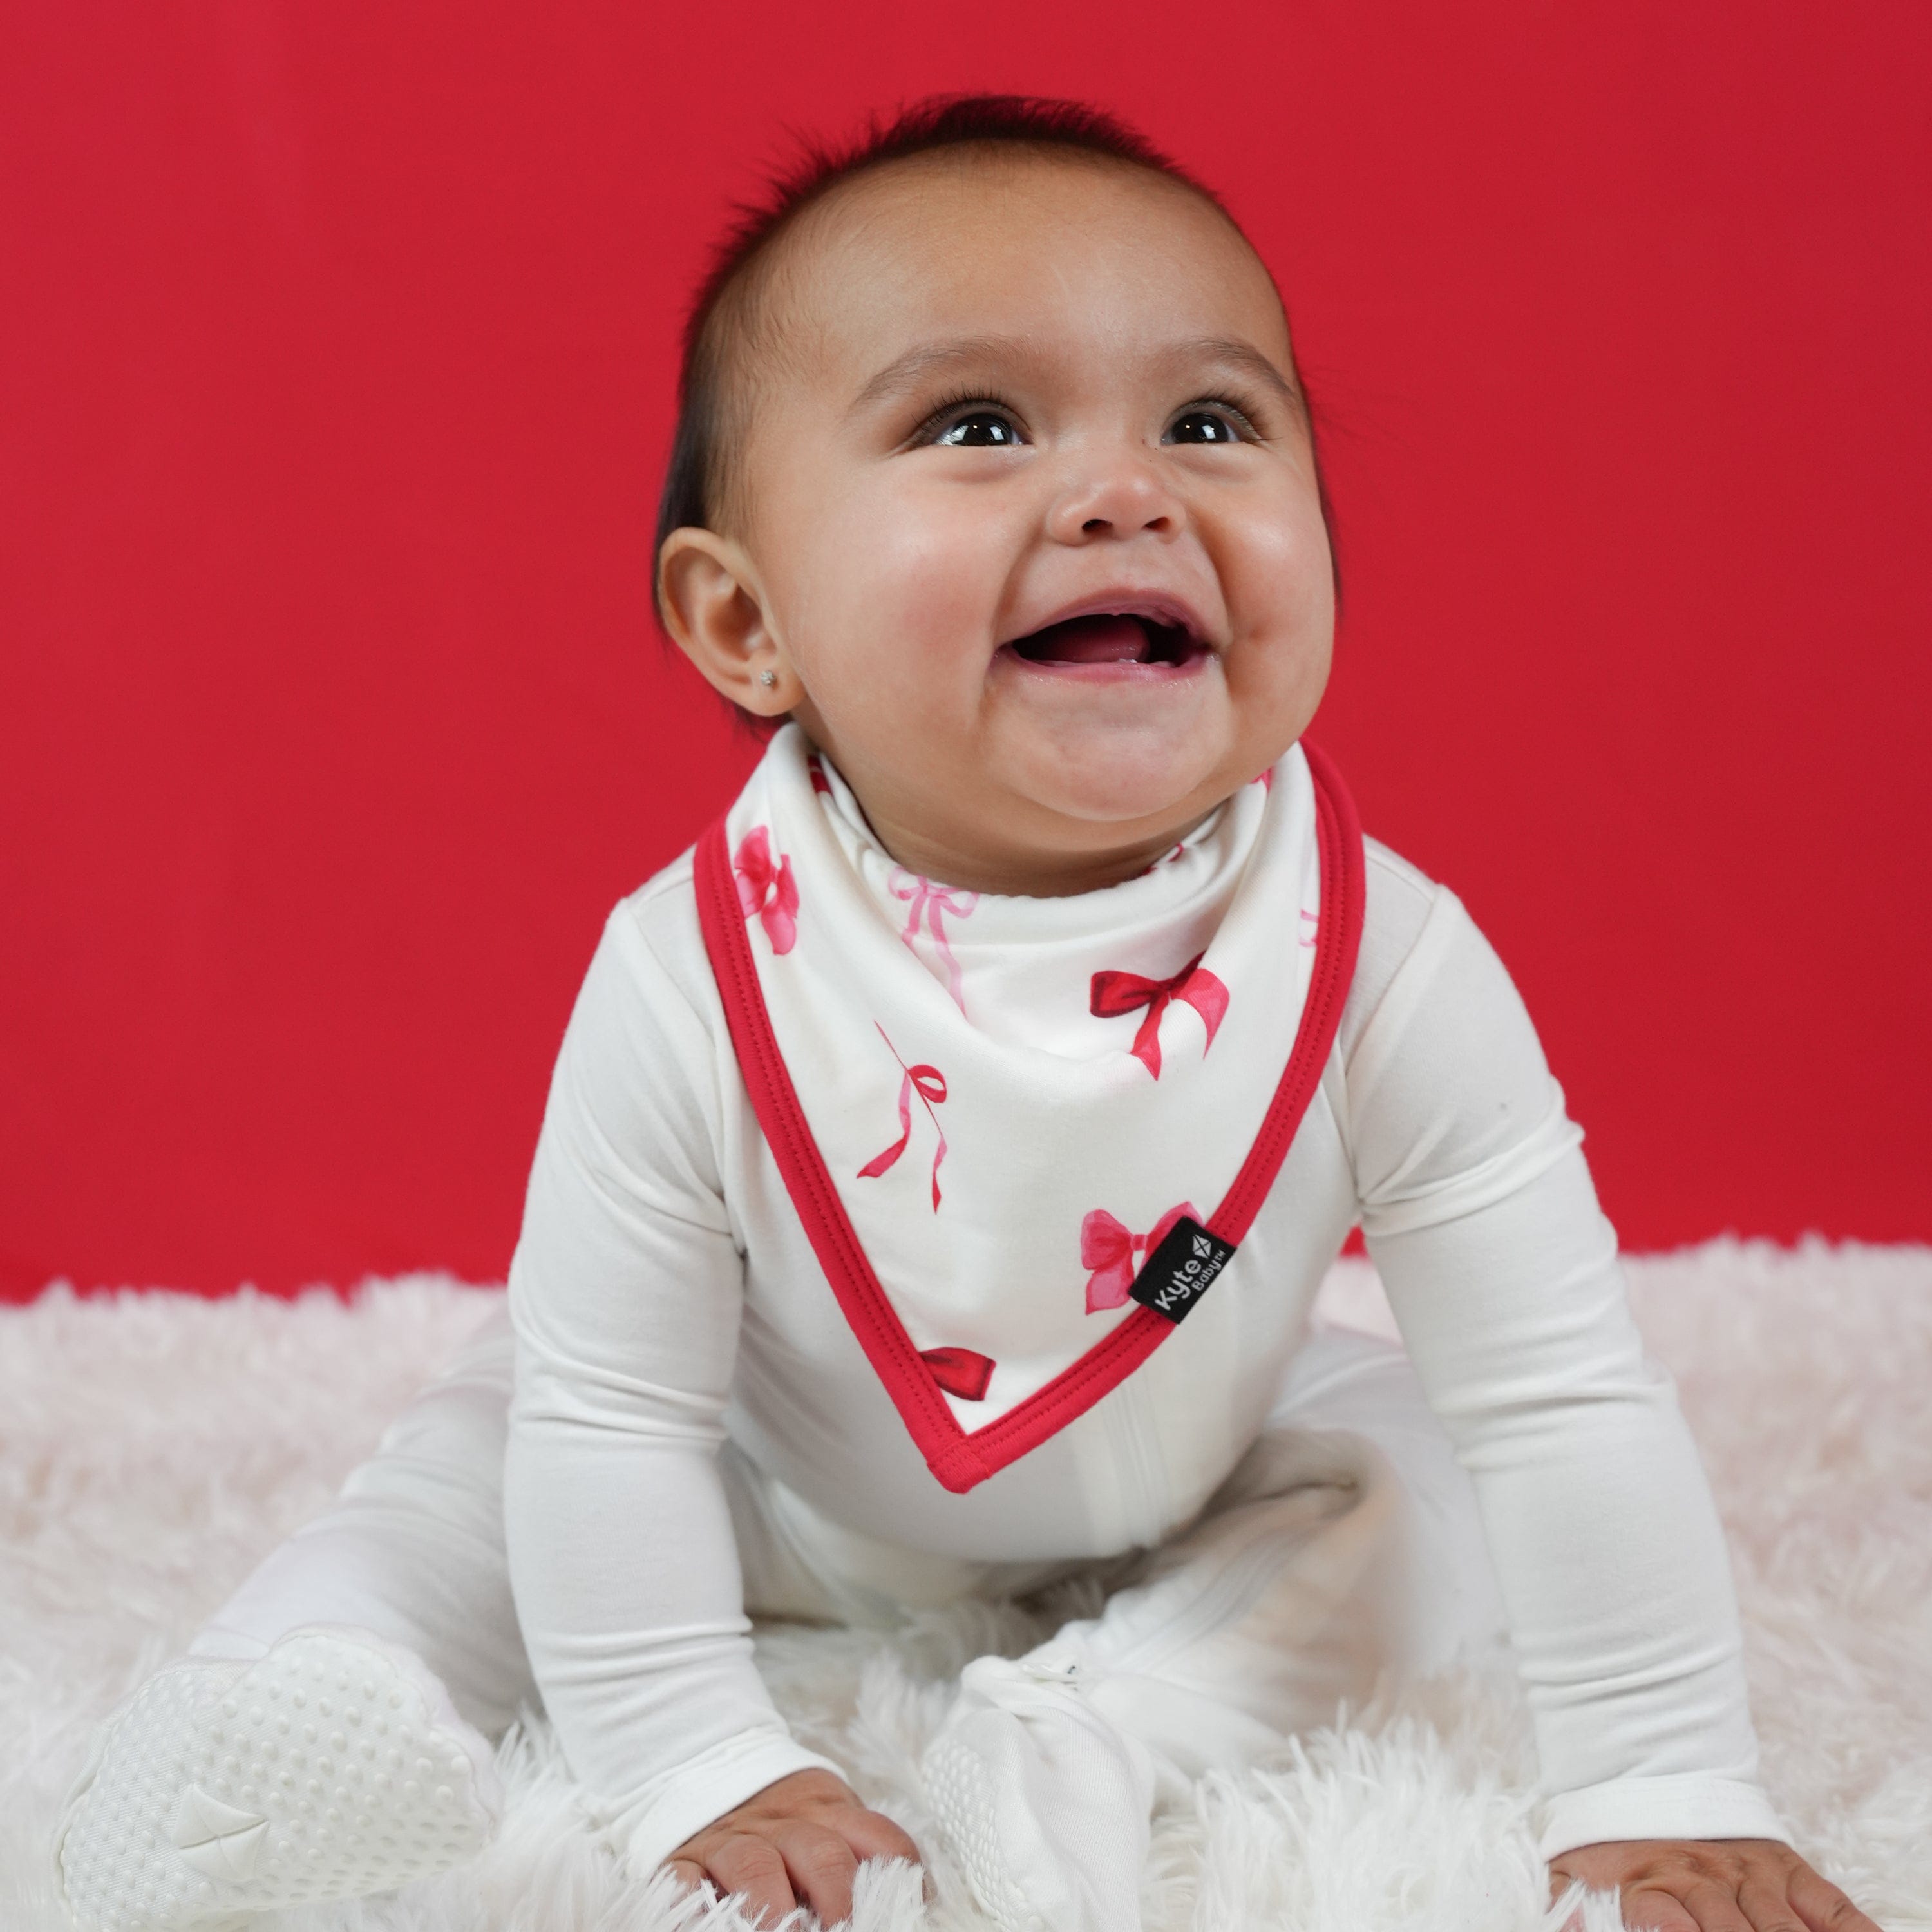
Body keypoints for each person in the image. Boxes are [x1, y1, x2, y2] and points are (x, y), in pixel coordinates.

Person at [54, 95, 1877, 1932]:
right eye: (979, 425)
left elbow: (1560, 1396)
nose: (1126, 489)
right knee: (478, 1473)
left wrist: (1663, 1778)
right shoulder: (694, 976)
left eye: (1213, 421)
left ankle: (1088, 1737)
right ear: (745, 625)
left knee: (1431, 1480)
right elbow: (615, 1424)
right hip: (749, 1469)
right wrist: (701, 1755)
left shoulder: (1378, 963)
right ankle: (282, 1715)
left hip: (1185, 1473)